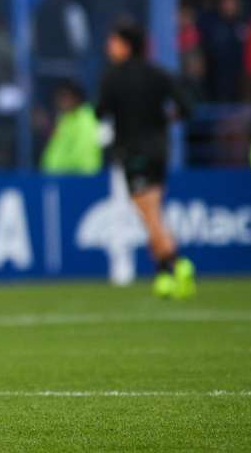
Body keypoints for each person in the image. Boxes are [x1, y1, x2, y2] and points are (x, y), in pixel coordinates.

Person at [95, 20, 196, 299]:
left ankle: (177, 263)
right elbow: (186, 107)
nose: (109, 47)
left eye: (113, 41)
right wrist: (163, 119)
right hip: (160, 150)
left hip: (132, 151)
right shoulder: (159, 74)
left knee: (149, 215)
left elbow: (99, 112)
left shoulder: (113, 77)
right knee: (153, 211)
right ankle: (164, 274)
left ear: (125, 45)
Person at [40, 80, 102, 175]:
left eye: (65, 96)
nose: (61, 101)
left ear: (76, 98)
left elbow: (86, 156)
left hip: (78, 180)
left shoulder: (86, 119)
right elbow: (55, 152)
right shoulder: (64, 119)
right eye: (59, 97)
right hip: (58, 179)